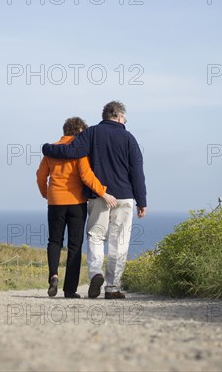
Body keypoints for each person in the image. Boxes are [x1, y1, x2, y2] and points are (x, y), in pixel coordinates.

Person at [42, 101, 147, 299]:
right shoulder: (129, 138)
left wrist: (47, 148)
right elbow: (137, 172)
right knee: (119, 240)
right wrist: (142, 201)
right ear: (117, 116)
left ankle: (95, 273)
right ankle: (112, 288)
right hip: (124, 197)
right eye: (124, 118)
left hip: (99, 196)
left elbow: (70, 152)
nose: (125, 121)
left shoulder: (91, 134)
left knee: (96, 237)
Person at [37, 117, 118, 299]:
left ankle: (53, 276)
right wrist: (103, 193)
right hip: (76, 203)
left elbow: (41, 176)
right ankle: (69, 290)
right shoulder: (79, 152)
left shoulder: (52, 151)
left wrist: (46, 194)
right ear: (79, 130)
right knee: (75, 245)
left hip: (55, 202)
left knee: (55, 241)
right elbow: (87, 176)